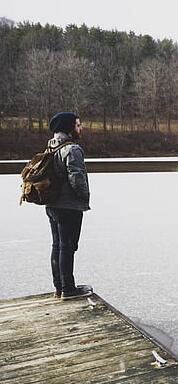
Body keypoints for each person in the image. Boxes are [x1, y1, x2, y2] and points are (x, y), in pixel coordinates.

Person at [45, 112, 92, 300]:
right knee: (67, 246)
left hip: (52, 205)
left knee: (57, 245)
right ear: (69, 128)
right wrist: (84, 196)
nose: (81, 128)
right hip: (68, 206)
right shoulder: (72, 149)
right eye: (78, 125)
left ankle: (60, 287)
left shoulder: (51, 145)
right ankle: (69, 289)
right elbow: (76, 176)